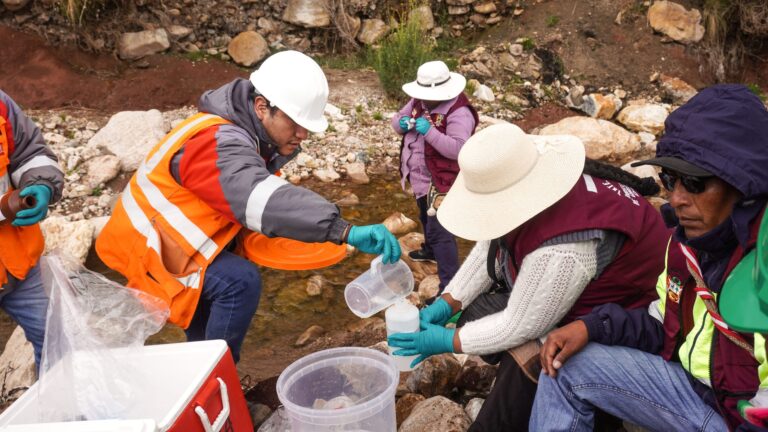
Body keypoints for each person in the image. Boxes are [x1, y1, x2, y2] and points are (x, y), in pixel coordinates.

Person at [96, 51, 401, 362]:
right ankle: (217, 377)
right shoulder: (218, 142)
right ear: (261, 107)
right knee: (239, 282)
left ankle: (203, 376)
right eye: (295, 122)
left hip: (173, 242)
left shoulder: (244, 135)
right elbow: (259, 198)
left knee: (205, 322)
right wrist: (343, 230)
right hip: (149, 249)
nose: (303, 134)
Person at [388, 122, 670, 431]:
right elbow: (490, 247)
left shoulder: (564, 247)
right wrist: (447, 303)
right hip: (596, 294)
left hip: (636, 322)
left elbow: (520, 325)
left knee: (528, 352)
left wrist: (447, 340)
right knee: (477, 317)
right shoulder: (547, 188)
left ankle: (591, 415)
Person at [530, 84, 768, 432]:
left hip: (740, 419)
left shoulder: (760, 264)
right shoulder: (684, 245)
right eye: (670, 179)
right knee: (565, 365)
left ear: (742, 183)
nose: (677, 199)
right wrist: (591, 326)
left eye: (695, 183)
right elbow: (661, 325)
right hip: (693, 394)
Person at [392, 60, 478, 296]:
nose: (422, 99)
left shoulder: (459, 112)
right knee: (423, 214)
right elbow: (396, 120)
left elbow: (459, 149)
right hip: (422, 180)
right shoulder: (419, 101)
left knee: (441, 232)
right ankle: (429, 250)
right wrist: (401, 124)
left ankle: (450, 287)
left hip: (443, 183)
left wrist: (428, 131)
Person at [0, 89, 64, 367]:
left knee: (59, 346)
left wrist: (41, 184)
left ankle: (60, 410)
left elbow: (30, 153)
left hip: (19, 263)